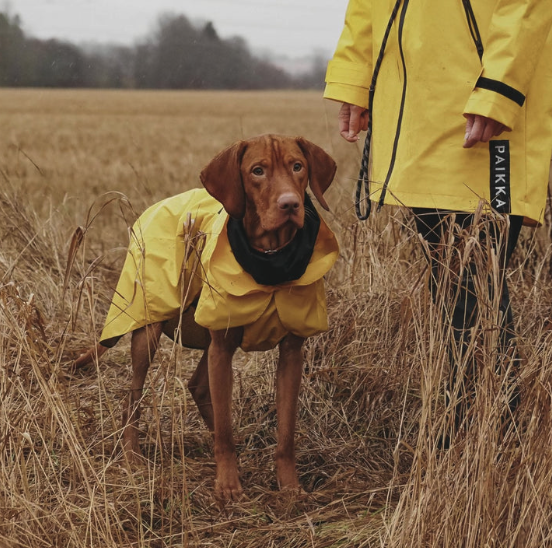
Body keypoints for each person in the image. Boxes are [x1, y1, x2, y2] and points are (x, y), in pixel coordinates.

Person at [324, 0, 552, 440]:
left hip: (482, 108)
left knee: (474, 281)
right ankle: (473, 429)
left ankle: (487, 437)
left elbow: (526, 6)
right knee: (450, 279)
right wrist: (357, 80)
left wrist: (497, 90)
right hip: (415, 113)